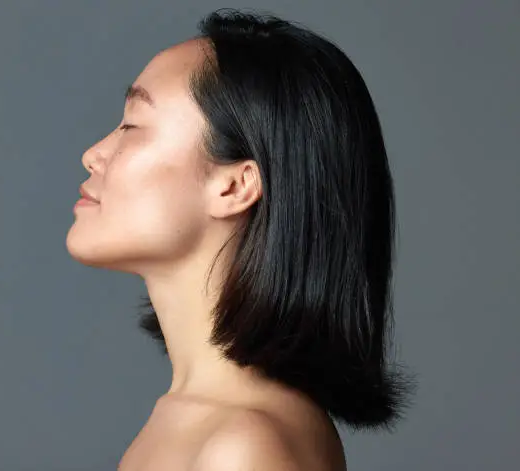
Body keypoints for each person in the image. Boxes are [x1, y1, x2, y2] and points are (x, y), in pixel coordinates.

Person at [66, 8, 416, 471]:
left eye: (132, 125)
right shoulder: (193, 418)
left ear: (233, 186)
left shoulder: (244, 445)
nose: (93, 154)